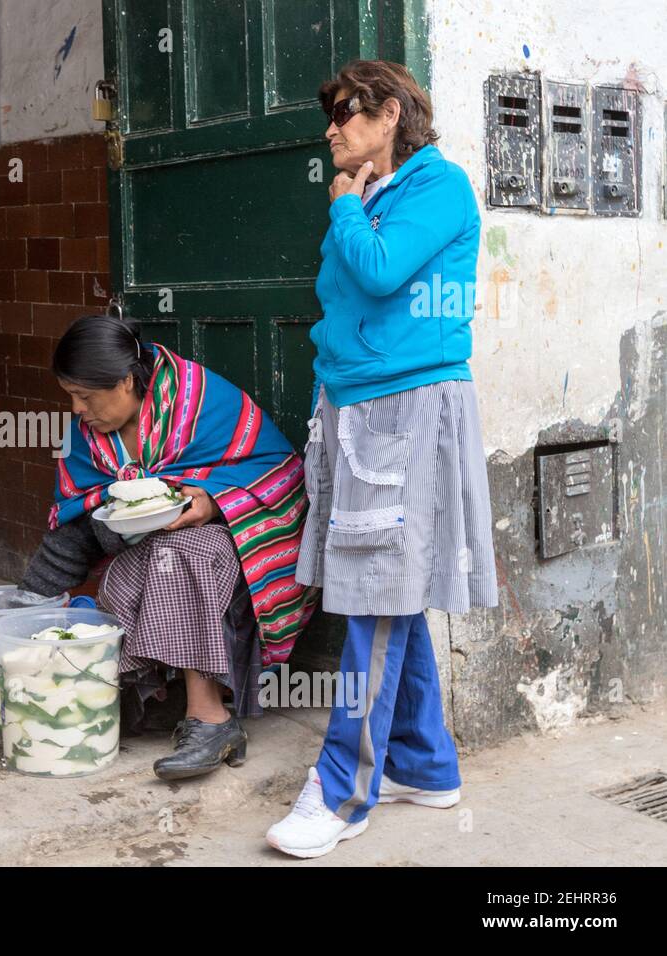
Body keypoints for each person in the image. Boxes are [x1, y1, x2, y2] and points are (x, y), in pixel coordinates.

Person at [265, 60, 499, 859]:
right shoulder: (368, 197)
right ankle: (425, 767)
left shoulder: (437, 187)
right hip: (359, 407)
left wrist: (341, 210)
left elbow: (380, 271)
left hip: (412, 408)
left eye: (345, 114)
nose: (331, 130)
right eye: (329, 116)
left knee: (374, 594)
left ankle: (342, 791)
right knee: (386, 585)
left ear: (391, 114)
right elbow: (349, 301)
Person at [18, 314, 317, 780]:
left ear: (123, 382)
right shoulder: (89, 436)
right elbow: (76, 522)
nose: (77, 410)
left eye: (85, 396)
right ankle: (145, 696)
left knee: (182, 553)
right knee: (135, 568)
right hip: (158, 554)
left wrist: (213, 501)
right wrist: (24, 611)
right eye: (70, 397)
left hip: (242, 538)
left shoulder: (199, 400)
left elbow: (275, 469)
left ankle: (211, 719)